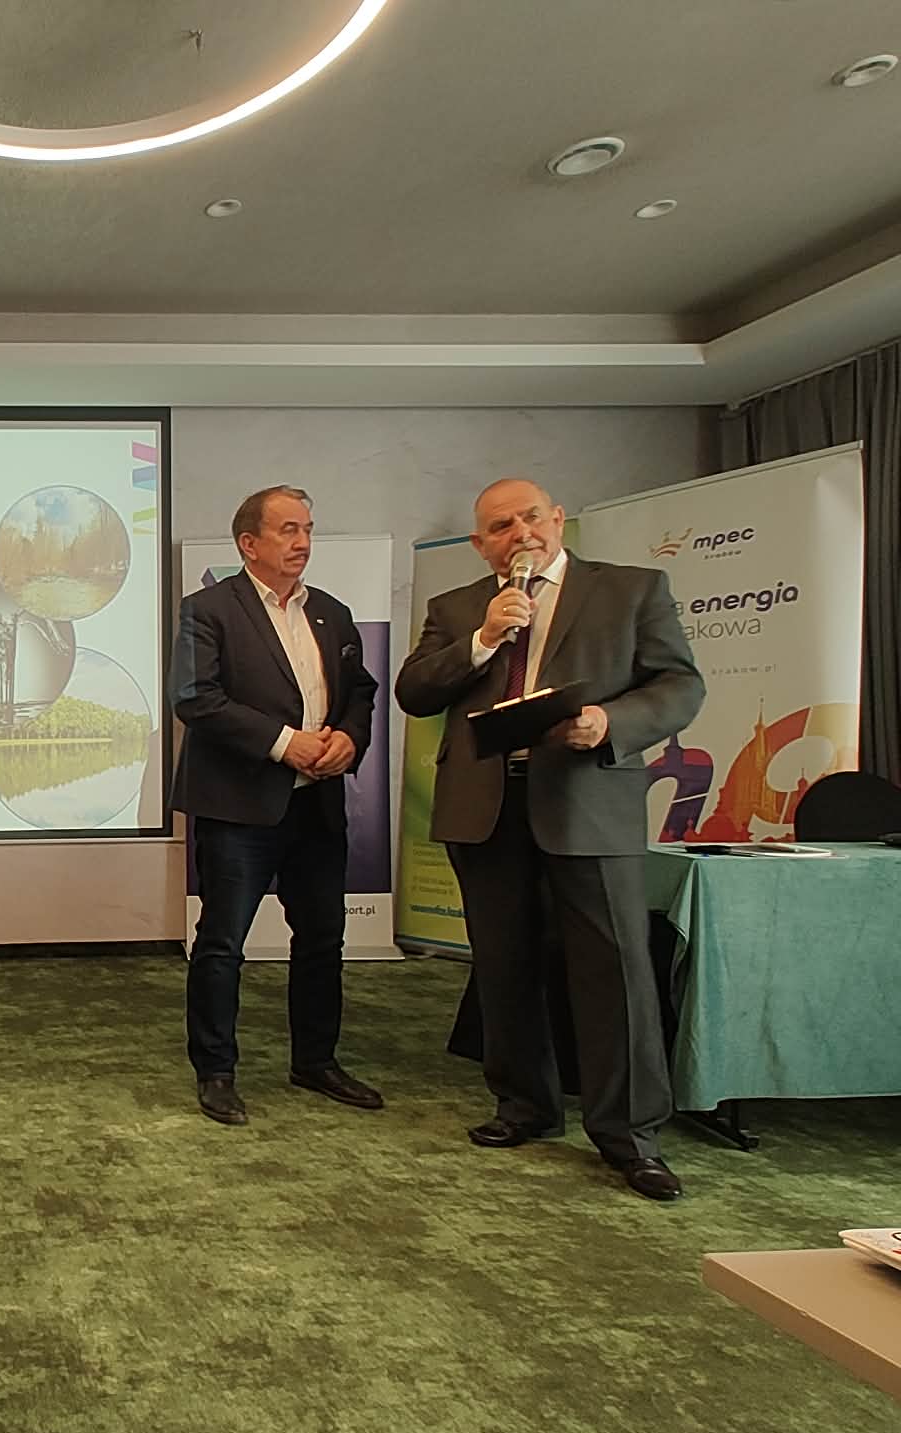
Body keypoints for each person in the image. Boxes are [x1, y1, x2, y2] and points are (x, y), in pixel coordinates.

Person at [394, 478, 704, 1200]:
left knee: (614, 970)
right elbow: (415, 691)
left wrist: (611, 723)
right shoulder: (457, 607)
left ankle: (630, 1136)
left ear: (558, 520)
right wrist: (483, 640)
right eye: (501, 526)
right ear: (482, 544)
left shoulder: (631, 590)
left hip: (587, 799)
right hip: (486, 806)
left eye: (530, 517)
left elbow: (679, 685)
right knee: (504, 964)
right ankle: (524, 1105)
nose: (520, 534)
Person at [171, 485, 383, 1126]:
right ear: (249, 543)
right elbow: (195, 697)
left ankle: (316, 1061)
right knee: (222, 942)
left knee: (322, 939)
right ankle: (216, 1070)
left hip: (317, 804)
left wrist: (349, 738)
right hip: (239, 806)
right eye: (288, 530)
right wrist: (286, 743)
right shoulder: (207, 609)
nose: (303, 542)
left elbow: (361, 691)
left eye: (308, 529)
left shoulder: (333, 613)